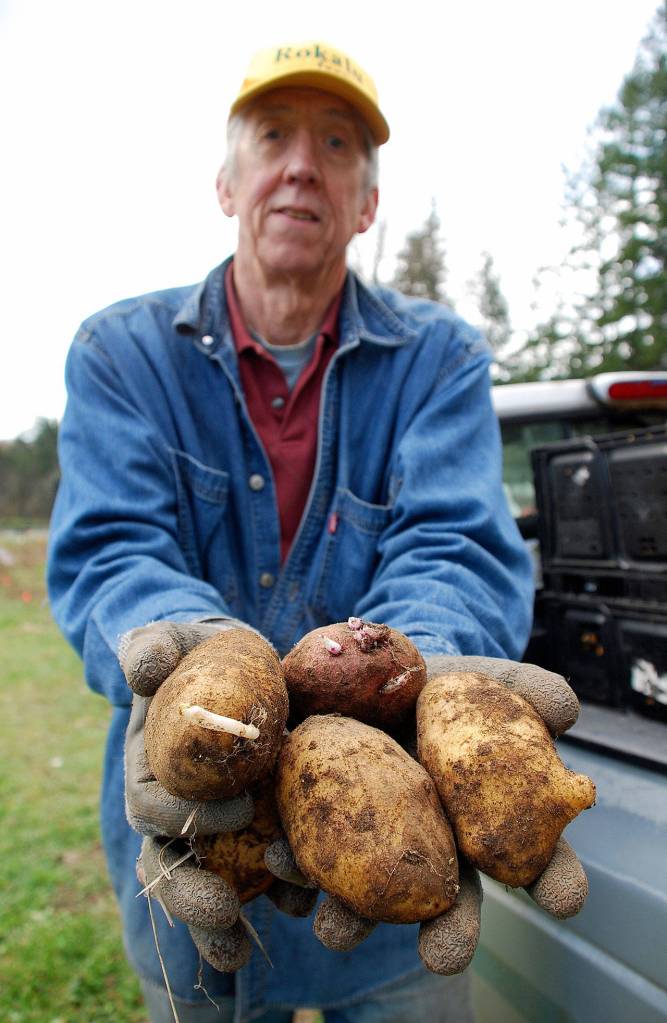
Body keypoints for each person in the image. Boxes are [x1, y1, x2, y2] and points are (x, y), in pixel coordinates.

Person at [47, 40, 587, 1023]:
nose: (302, 163)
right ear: (227, 181)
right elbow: (112, 550)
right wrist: (198, 671)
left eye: (337, 143)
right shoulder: (120, 354)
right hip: (196, 828)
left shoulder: (439, 362)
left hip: (387, 823)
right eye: (272, 137)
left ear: (366, 203)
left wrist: (410, 674)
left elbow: (454, 545)